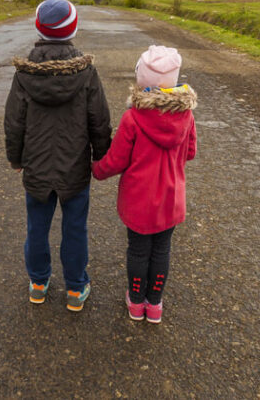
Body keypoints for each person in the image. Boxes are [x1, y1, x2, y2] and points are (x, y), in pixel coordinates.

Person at [4, 0, 112, 312]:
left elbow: (14, 122)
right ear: (73, 28)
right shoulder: (86, 71)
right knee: (75, 227)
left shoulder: (25, 73)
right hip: (74, 166)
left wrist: (16, 158)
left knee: (37, 226)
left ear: (39, 28)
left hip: (36, 167)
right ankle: (76, 288)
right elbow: (99, 119)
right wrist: (100, 156)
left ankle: (38, 283)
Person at [92, 45, 197, 324]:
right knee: (161, 250)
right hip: (171, 199)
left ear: (141, 77)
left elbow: (116, 160)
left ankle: (136, 303)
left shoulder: (133, 118)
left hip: (138, 201)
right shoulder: (186, 115)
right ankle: (155, 305)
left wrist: (96, 170)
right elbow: (190, 152)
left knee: (138, 250)